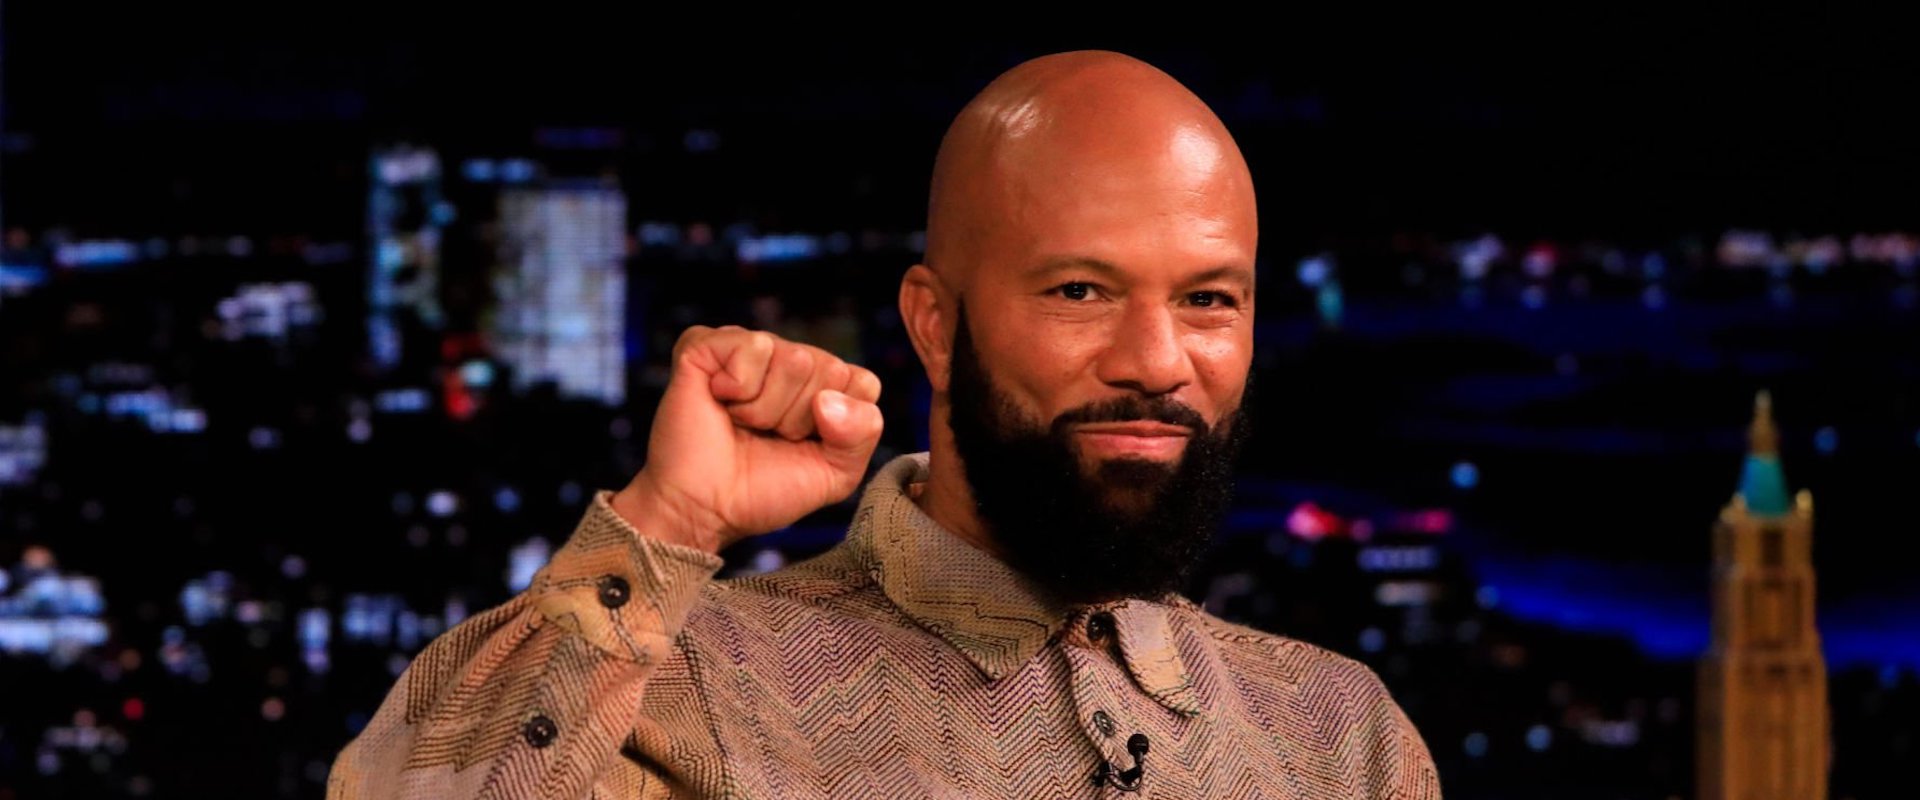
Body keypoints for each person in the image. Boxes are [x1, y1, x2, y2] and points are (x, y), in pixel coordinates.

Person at [329, 50, 1440, 799]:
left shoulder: (1342, 740)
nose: (1157, 361)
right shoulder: (682, 690)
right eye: (1079, 291)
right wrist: (670, 519)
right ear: (935, 326)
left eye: (1208, 299)